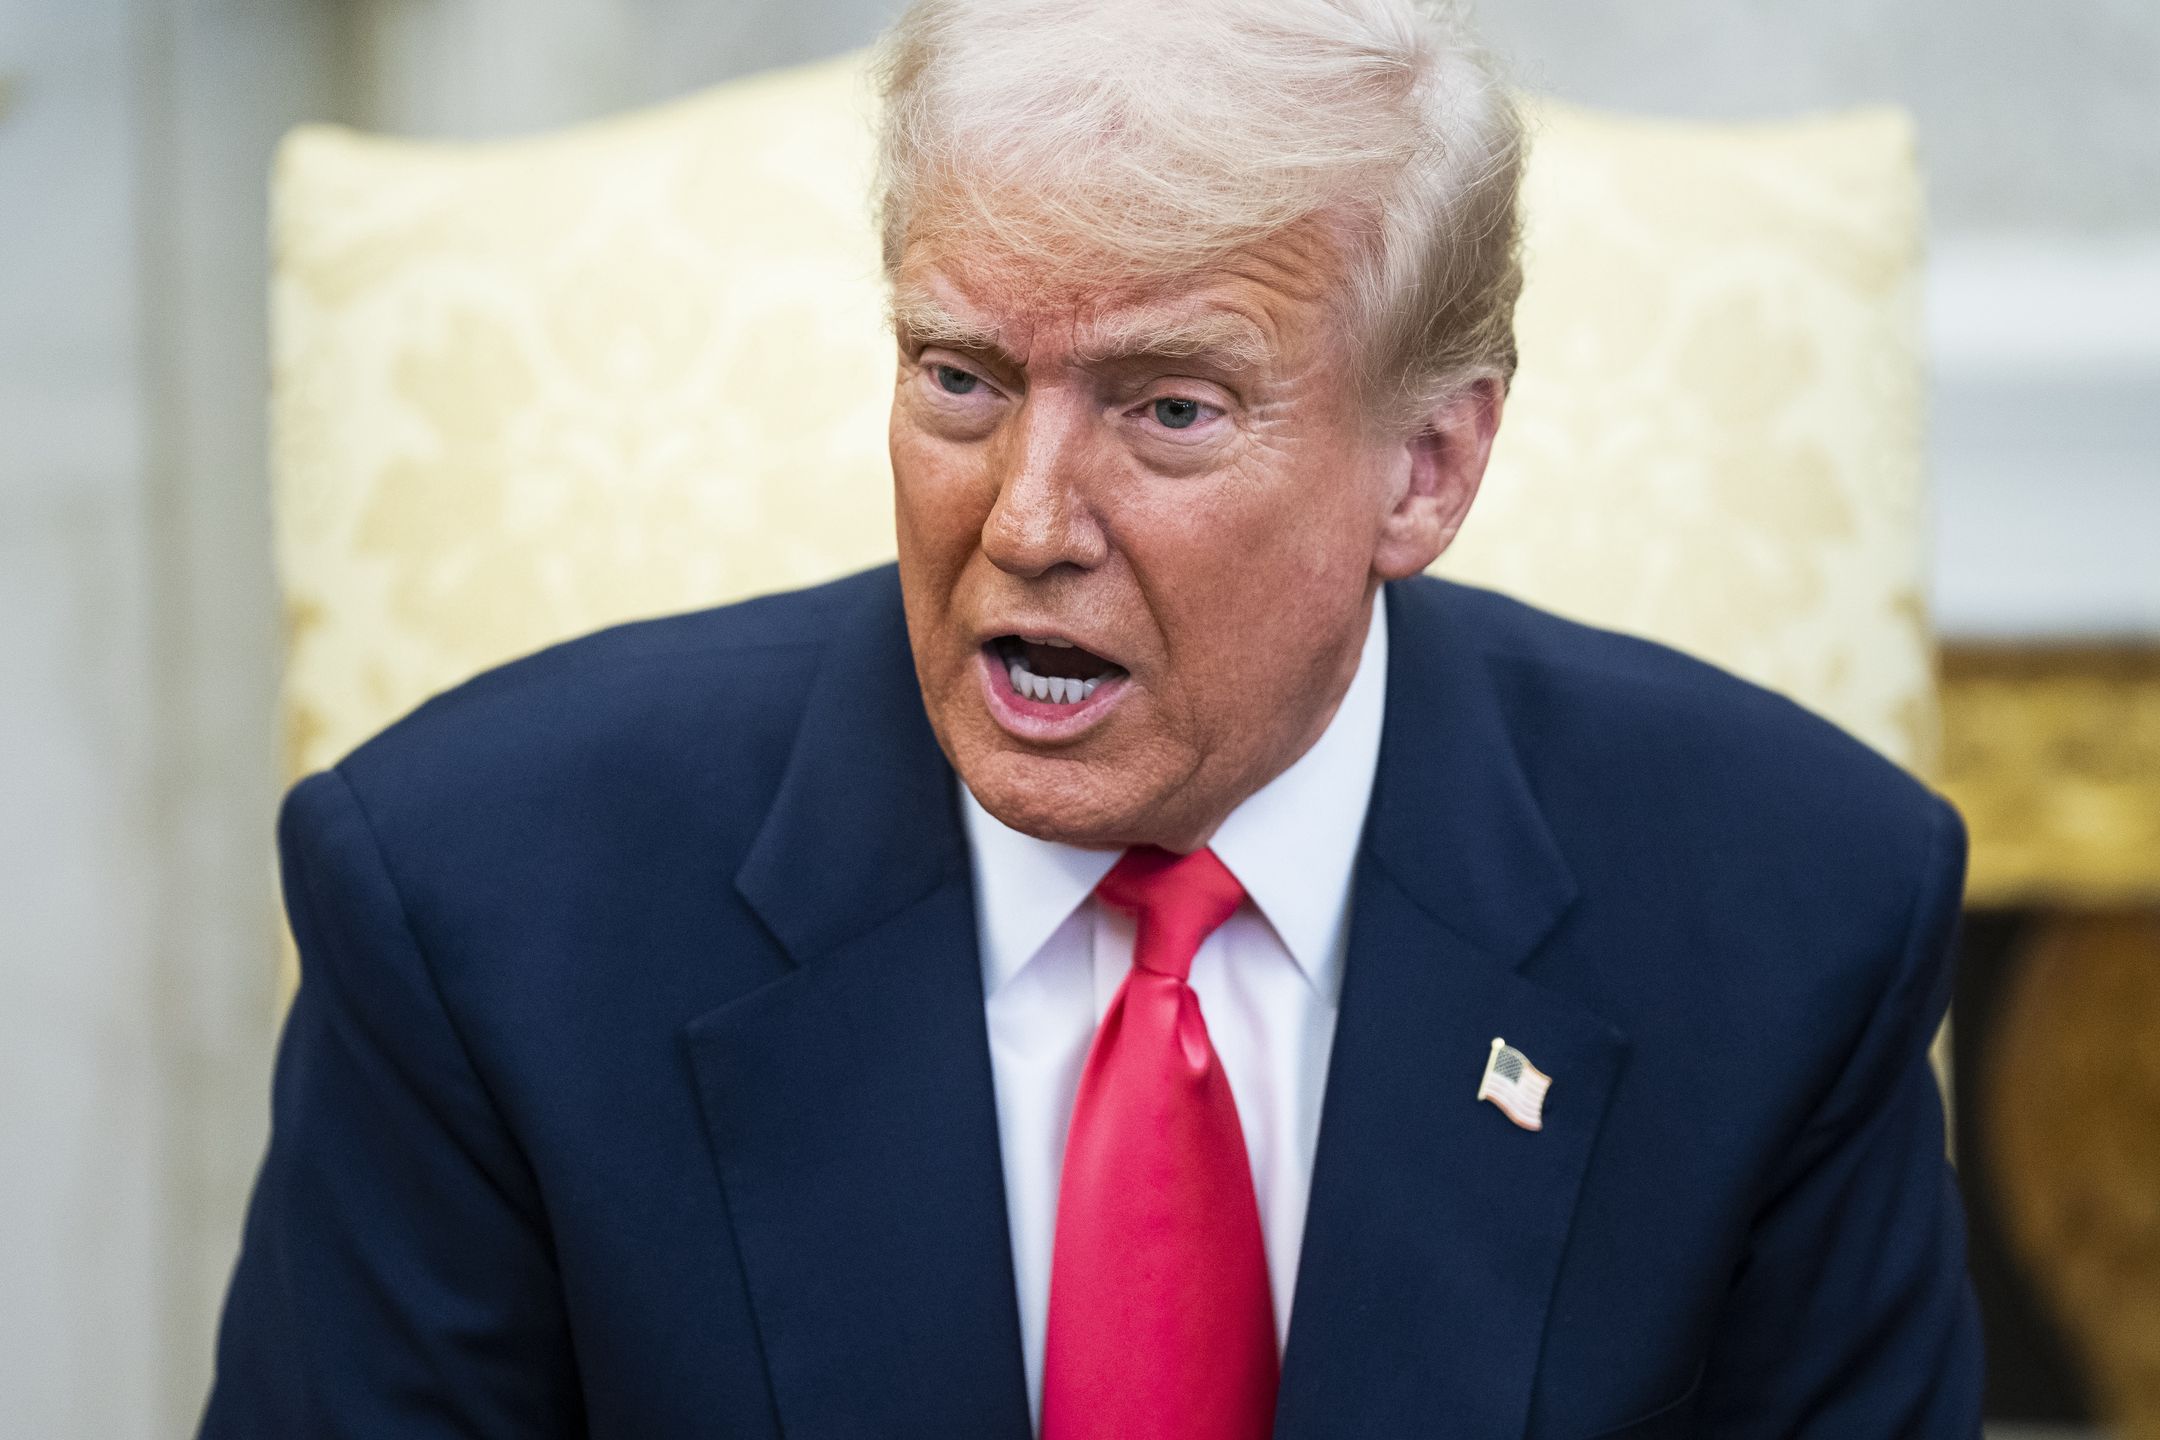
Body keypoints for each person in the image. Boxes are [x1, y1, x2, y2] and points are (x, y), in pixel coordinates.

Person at [199, 0, 1983, 1435]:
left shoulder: (1795, 914)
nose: (1030, 522)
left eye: (1171, 409)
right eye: (960, 380)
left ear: (1427, 470)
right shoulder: (472, 900)